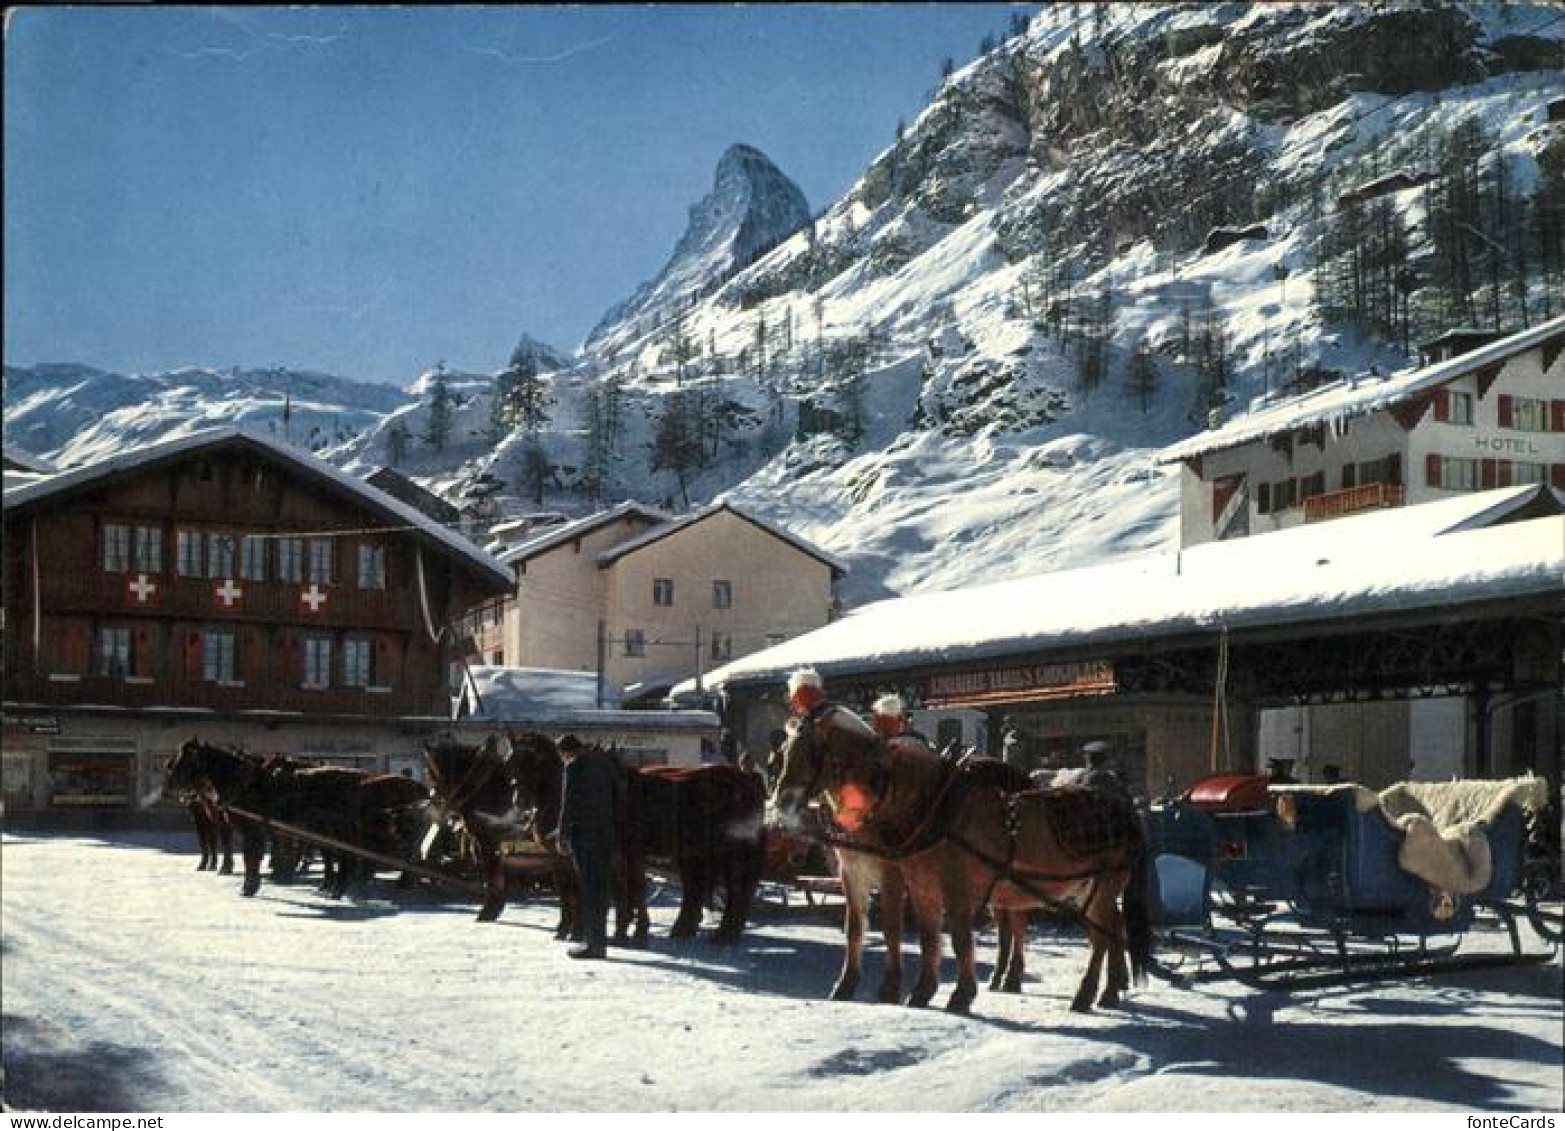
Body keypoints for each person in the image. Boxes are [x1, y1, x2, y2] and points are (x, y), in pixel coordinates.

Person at [554, 734, 625, 960]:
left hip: (584, 835)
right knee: (602, 890)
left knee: (590, 890)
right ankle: (598, 942)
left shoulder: (574, 766)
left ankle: (594, 945)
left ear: (566, 752)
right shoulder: (605, 764)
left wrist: (561, 834)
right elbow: (618, 798)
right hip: (607, 834)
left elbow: (568, 802)